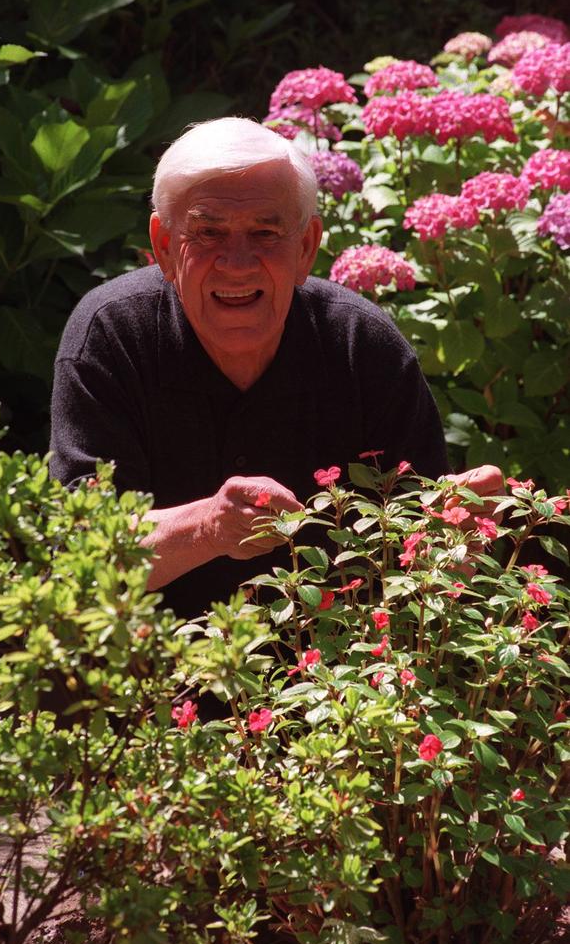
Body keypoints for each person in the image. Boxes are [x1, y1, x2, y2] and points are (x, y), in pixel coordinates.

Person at [50, 117, 502, 617]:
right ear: (162, 246)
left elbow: (424, 565)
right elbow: (81, 556)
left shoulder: (362, 346)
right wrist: (209, 527)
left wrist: (458, 538)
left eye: (266, 232)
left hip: (335, 682)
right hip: (144, 669)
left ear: (306, 247)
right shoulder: (111, 336)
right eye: (207, 232)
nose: (237, 262)